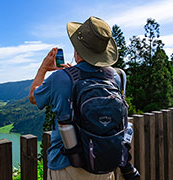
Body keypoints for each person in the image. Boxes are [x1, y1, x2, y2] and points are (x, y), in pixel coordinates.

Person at [29, 16, 122, 180]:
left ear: (77, 49)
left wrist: (43, 68)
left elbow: (33, 97)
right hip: (104, 164)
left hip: (68, 164)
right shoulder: (114, 76)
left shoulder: (61, 78)